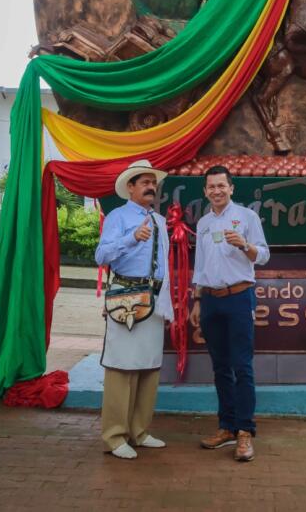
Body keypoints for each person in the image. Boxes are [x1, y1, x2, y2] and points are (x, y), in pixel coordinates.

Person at [95, 158, 174, 460]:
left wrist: (167, 299)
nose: (151, 187)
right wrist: (131, 238)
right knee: (121, 366)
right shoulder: (118, 217)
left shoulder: (161, 222)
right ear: (130, 187)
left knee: (148, 365)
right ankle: (115, 436)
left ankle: (139, 431)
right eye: (144, 182)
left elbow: (164, 265)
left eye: (153, 182)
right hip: (126, 296)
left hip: (154, 298)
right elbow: (101, 255)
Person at [190, 165, 270, 462]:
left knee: (242, 366)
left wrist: (245, 245)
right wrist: (197, 301)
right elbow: (199, 266)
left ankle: (245, 431)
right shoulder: (204, 223)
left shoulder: (247, 217)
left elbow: (263, 254)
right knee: (220, 367)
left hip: (239, 298)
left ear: (231, 188)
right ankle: (226, 427)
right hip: (211, 300)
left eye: (221, 186)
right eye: (211, 187)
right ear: (205, 191)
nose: (216, 191)